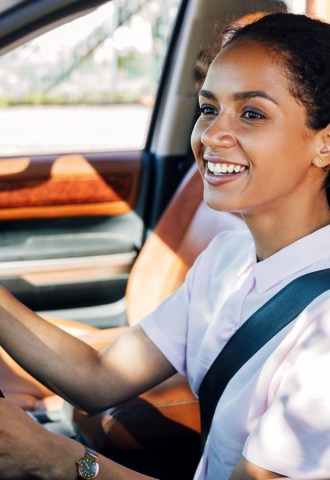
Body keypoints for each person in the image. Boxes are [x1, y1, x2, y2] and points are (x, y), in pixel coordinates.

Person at [0, 11, 330, 480]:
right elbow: (98, 376)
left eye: (252, 113)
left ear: (325, 144)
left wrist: (52, 458)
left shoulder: (323, 328)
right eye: (209, 108)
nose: (211, 135)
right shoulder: (227, 258)